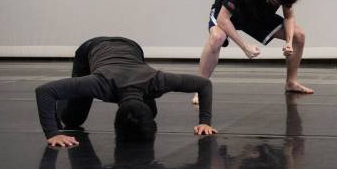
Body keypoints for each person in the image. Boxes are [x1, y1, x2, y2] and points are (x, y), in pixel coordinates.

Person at [35, 37, 216, 147]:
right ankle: (63, 108)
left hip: (131, 48)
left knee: (150, 113)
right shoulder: (101, 84)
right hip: (90, 48)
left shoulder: (157, 81)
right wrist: (53, 133)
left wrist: (205, 122)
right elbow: (44, 91)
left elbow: (204, 85)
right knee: (73, 119)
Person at [195, 0, 313, 103]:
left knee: (298, 35)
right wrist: (245, 47)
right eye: (275, 1)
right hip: (229, 15)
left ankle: (291, 82)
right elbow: (223, 19)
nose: (277, 5)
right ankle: (200, 89)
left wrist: (289, 43)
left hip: (256, 16)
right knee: (216, 38)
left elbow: (289, 17)